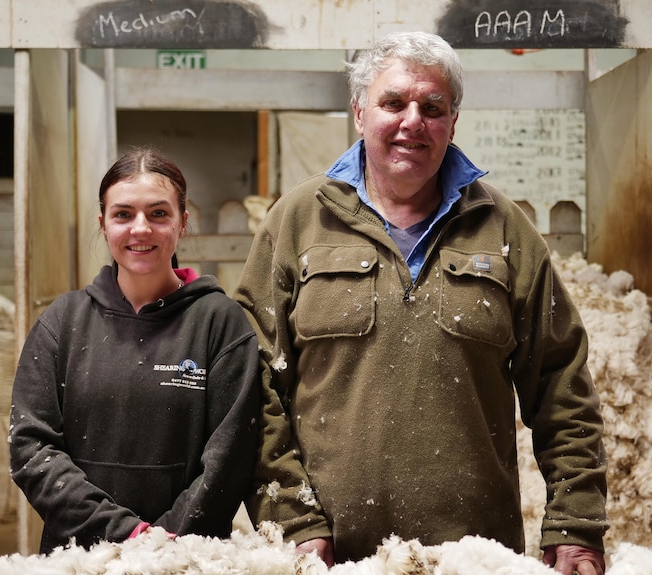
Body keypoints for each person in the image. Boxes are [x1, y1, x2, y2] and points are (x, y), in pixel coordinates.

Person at [233, 31, 609, 575]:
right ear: (360, 112)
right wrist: (292, 519)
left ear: (453, 121)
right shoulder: (296, 222)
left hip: (477, 558)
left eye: (433, 107)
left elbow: (562, 386)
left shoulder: (504, 230)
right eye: (393, 103)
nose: (413, 121)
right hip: (329, 559)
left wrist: (575, 524)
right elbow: (255, 385)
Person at [9, 147, 261, 554]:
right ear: (104, 225)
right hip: (81, 558)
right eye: (123, 214)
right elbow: (31, 448)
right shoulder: (63, 322)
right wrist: (124, 533)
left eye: (158, 213)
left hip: (187, 558)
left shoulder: (220, 323)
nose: (140, 228)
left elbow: (229, 460)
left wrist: (164, 546)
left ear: (182, 223)